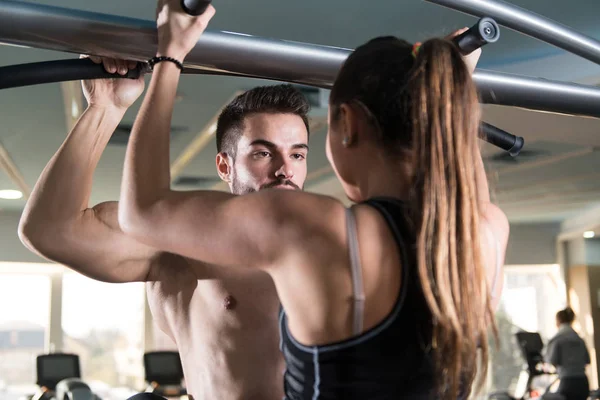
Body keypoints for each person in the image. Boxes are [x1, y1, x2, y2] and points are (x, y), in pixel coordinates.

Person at [117, 1, 510, 399]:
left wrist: (170, 55)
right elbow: (456, 168)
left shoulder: (316, 226)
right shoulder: (486, 232)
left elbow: (141, 212)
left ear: (347, 124)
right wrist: (449, 89)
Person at [18, 57, 311, 398]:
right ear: (224, 166)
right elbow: (51, 230)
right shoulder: (180, 241)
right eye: (263, 153)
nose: (285, 170)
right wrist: (105, 108)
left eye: (297, 155)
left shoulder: (330, 243)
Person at [546, 307, 590, 400]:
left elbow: (552, 360)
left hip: (568, 383)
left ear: (558, 321)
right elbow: (587, 360)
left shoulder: (557, 339)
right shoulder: (579, 339)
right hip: (583, 383)